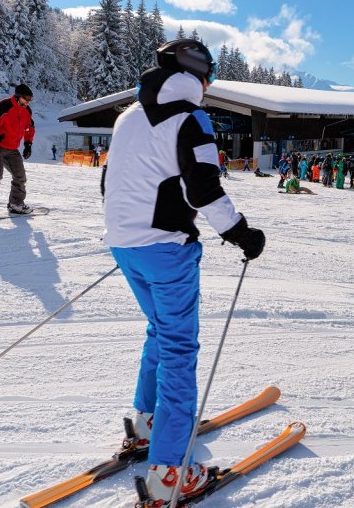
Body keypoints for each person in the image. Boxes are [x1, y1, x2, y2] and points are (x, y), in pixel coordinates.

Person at [101, 39, 265, 506]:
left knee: (159, 331)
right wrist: (240, 233)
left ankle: (147, 424)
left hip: (124, 243)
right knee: (178, 351)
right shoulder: (192, 118)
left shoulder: (127, 117)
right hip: (165, 249)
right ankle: (169, 474)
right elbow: (204, 189)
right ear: (199, 76)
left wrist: (133, 229)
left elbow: (109, 182)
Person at [0, 84, 36, 217]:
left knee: (20, 176)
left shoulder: (27, 111)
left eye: (30, 99)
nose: (28, 101)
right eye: (26, 98)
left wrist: (28, 144)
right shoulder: (4, 107)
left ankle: (16, 203)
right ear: (18, 96)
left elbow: (29, 127)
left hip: (11, 149)